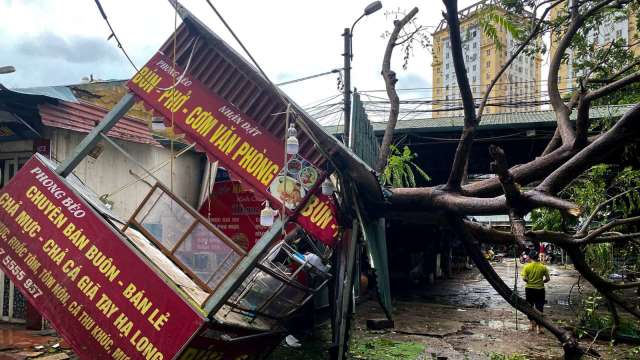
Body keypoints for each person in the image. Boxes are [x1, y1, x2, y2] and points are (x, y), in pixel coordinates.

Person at [521, 250, 550, 334]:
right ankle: (540, 327)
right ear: (537, 257)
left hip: (529, 289)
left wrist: (530, 281)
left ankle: (531, 324)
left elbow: (524, 279)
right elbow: (548, 279)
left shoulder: (526, 267)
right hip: (540, 289)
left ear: (530, 257)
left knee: (529, 307)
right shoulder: (543, 267)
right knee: (540, 307)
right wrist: (541, 282)